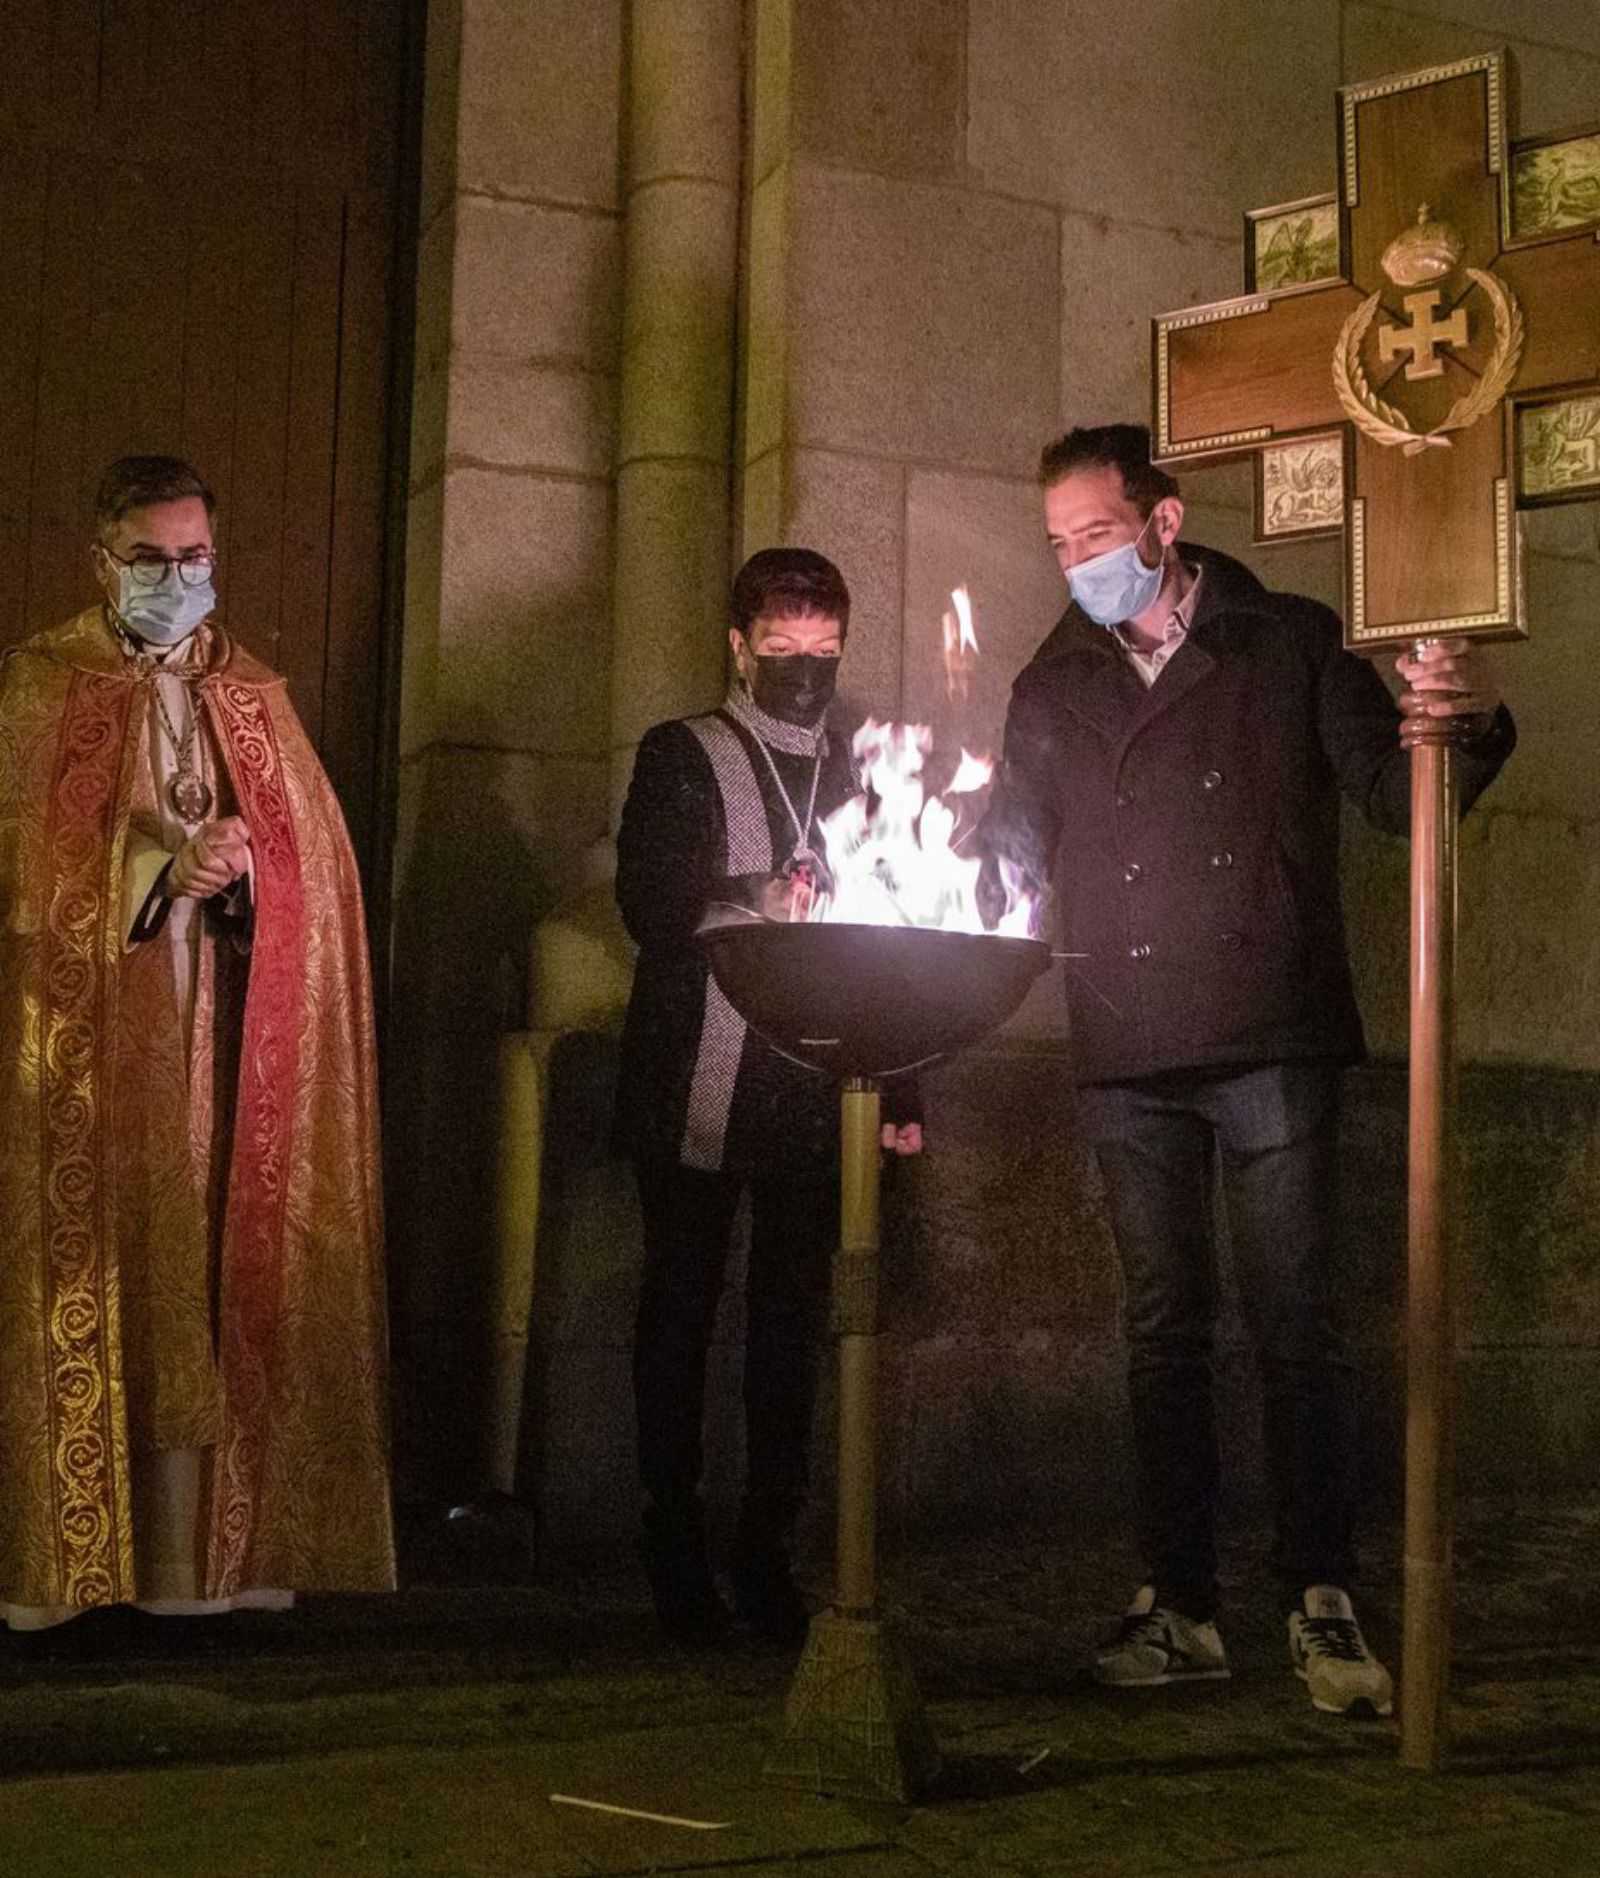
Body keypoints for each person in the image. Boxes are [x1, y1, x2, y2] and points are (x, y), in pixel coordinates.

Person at [980, 424, 1513, 1716]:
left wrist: (1463, 712)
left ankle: (1320, 1597)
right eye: (1058, 545)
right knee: (1162, 1335)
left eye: (1095, 536)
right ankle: (1181, 1604)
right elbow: (1009, 836)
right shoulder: (1052, 685)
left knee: (1296, 1328)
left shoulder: (1287, 640)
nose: (1076, 565)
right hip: (1125, 1037)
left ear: (1165, 523)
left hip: (1267, 1025)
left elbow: (1397, 793)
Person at [0, 456, 394, 1630]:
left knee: (215, 1276)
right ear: (101, 559)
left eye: (197, 560)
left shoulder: (255, 694)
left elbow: (318, 879)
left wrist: (245, 880)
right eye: (153, 561)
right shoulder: (37, 686)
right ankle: (70, 1565)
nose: (178, 582)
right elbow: (21, 863)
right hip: (88, 1044)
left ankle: (204, 1564)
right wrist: (150, 870)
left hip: (224, 1043)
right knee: (102, 1268)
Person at [614, 547, 920, 1646]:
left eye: (823, 649)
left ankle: (768, 1546)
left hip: (812, 1083)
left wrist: (905, 1082)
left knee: (789, 1324)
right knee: (681, 1312)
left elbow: (900, 930)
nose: (803, 667)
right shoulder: (684, 751)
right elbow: (645, 902)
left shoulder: (863, 763)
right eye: (781, 648)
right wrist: (752, 892)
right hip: (695, 1063)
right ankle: (671, 1540)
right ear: (738, 646)